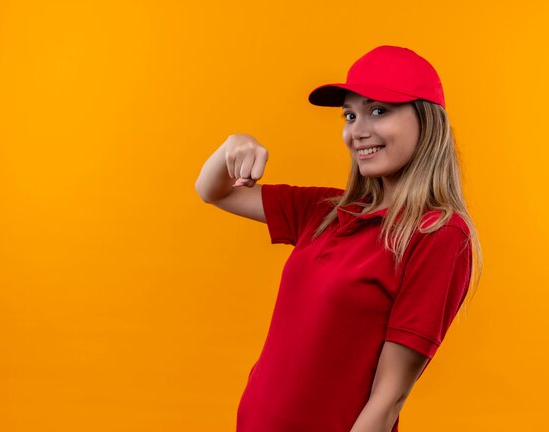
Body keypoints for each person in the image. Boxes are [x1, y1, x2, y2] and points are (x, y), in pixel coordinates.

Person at [195, 45, 483, 432]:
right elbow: (214, 190)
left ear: (426, 121)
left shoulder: (438, 234)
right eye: (350, 115)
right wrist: (233, 144)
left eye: (378, 110)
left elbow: (388, 399)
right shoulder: (326, 210)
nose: (357, 131)